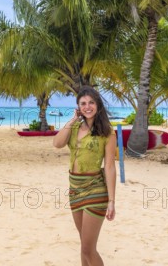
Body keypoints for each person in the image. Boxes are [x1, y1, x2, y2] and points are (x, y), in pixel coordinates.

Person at [53, 86, 116, 266]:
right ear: (78, 107)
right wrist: (73, 119)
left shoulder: (107, 132)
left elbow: (110, 167)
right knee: (83, 246)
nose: (87, 107)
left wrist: (112, 201)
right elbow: (57, 143)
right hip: (75, 190)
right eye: (83, 103)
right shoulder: (74, 127)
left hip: (95, 190)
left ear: (98, 105)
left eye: (91, 103)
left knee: (88, 249)